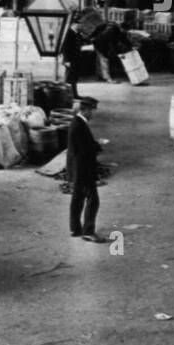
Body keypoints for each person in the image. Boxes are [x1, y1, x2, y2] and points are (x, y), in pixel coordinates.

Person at [66, 97, 103, 241]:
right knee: (93, 200)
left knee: (77, 199)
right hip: (83, 170)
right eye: (92, 110)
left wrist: (93, 144)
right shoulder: (79, 125)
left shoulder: (77, 122)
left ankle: (75, 229)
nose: (93, 114)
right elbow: (84, 149)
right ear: (86, 110)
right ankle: (88, 232)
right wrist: (97, 146)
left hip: (76, 169)